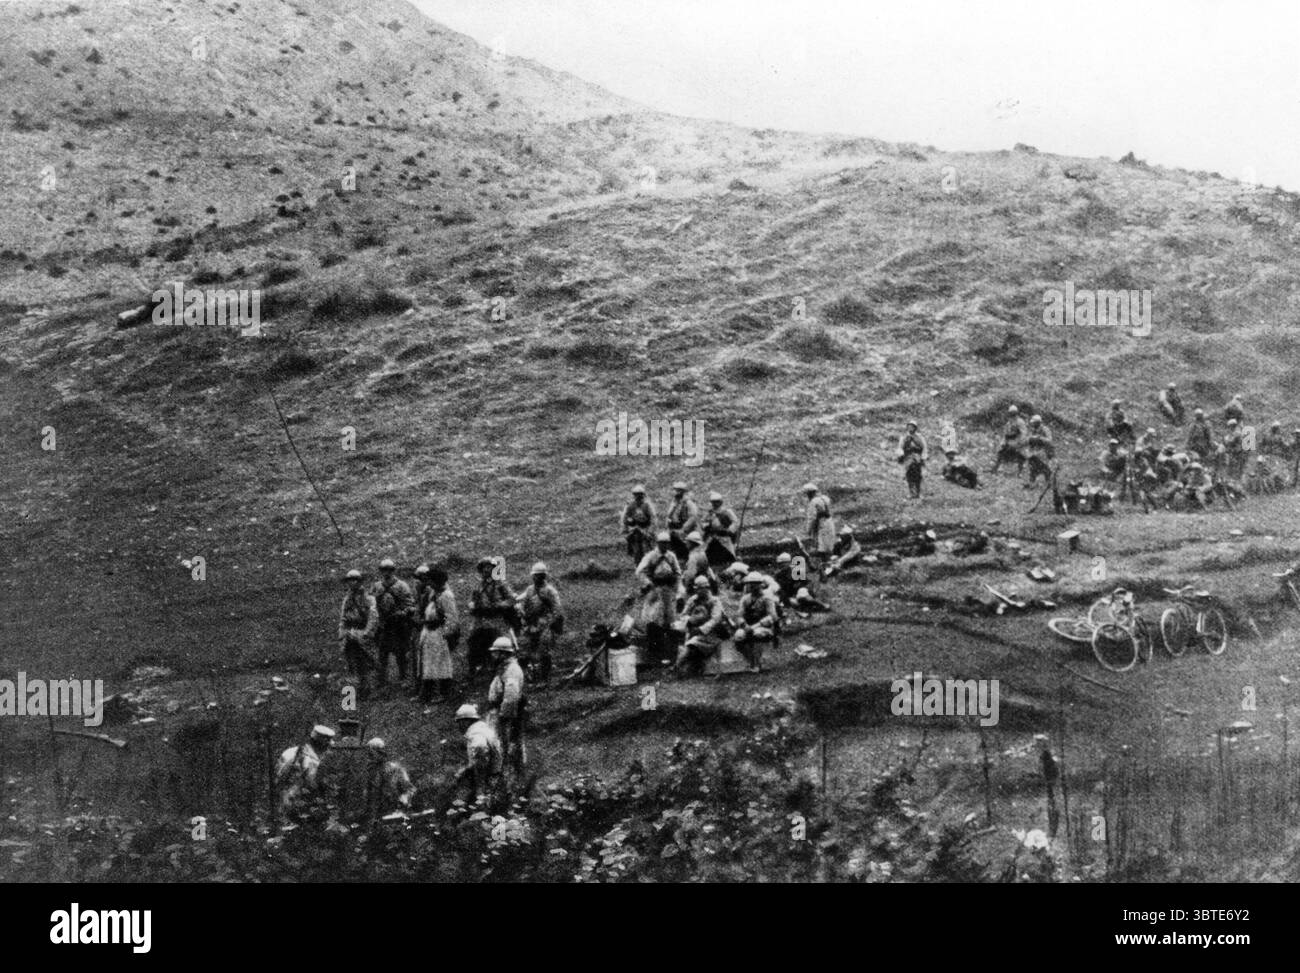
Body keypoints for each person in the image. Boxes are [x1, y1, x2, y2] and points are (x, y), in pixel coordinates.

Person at [468, 556, 518, 678]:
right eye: (484, 567)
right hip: (481, 619)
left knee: (500, 642)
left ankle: (503, 667)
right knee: (473, 641)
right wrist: (472, 605)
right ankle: (477, 667)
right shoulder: (478, 586)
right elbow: (471, 600)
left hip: (496, 618)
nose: (486, 570)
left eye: (489, 567)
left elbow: (511, 599)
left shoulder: (501, 584)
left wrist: (498, 605)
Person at [637, 531, 683, 661]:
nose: (665, 546)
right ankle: (654, 652)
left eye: (667, 543)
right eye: (662, 543)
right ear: (657, 543)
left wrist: (677, 587)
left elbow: (678, 572)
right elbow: (640, 572)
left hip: (668, 590)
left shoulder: (671, 556)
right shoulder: (651, 556)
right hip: (655, 590)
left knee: (670, 620)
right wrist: (648, 583)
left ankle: (670, 652)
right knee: (653, 619)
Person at [486, 637, 527, 778]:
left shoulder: (512, 670)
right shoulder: (505, 668)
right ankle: (501, 771)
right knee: (499, 743)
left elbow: (511, 696)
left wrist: (504, 715)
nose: (493, 656)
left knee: (505, 743)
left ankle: (506, 773)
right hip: (499, 711)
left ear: (503, 654)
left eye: (496, 653)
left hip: (504, 713)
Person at [371, 559, 415, 691]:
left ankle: (404, 679)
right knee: (382, 654)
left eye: (389, 570)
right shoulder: (376, 586)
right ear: (381, 571)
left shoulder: (402, 586)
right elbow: (372, 604)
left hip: (398, 625)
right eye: (384, 570)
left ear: (393, 570)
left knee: (401, 654)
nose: (387, 573)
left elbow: (410, 604)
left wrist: (402, 613)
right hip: (383, 625)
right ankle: (381, 680)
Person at [417, 566, 458, 704]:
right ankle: (426, 693)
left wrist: (446, 635)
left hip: (439, 632)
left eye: (430, 580)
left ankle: (442, 693)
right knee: (428, 663)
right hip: (429, 631)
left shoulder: (446, 596)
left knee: (440, 664)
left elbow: (451, 617)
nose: (428, 583)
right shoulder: (434, 593)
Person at [276, 725, 335, 820]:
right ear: (322, 744)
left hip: (288, 802)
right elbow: (313, 784)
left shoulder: (290, 752)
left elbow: (279, 777)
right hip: (305, 808)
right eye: (327, 745)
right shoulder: (313, 761)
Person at [674, 576, 728, 676]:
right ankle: (678, 667)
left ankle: (677, 666)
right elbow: (683, 615)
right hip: (693, 631)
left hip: (711, 634)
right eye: (696, 589)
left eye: (700, 589)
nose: (698, 591)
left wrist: (700, 629)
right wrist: (691, 619)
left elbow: (715, 620)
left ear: (706, 588)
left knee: (691, 646)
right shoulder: (693, 600)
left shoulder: (714, 601)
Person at [518, 562, 562, 683]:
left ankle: (544, 679)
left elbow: (557, 610)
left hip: (545, 624)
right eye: (536, 575)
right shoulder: (530, 590)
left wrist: (549, 623)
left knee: (544, 652)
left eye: (540, 575)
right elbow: (524, 605)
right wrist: (523, 614)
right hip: (530, 624)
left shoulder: (550, 591)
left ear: (544, 576)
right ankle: (527, 676)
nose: (537, 577)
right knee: (524, 650)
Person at [338, 568, 378, 698]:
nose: (352, 583)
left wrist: (366, 633)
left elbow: (373, 617)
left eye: (355, 580)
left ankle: (370, 690)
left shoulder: (368, 598)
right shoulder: (347, 599)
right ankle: (355, 691)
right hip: (350, 634)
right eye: (350, 580)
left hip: (362, 633)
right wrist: (342, 633)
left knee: (367, 661)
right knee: (352, 663)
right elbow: (343, 618)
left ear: (360, 582)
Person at [454, 704, 503, 804]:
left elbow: (480, 751)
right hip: (494, 770)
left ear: (466, 721)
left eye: (459, 722)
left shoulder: (475, 734)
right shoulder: (482, 729)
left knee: (481, 797)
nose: (459, 726)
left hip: (487, 774)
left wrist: (473, 772)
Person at [732, 572, 779, 673]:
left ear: (760, 584)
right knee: (738, 636)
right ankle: (751, 661)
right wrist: (744, 625)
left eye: (755, 583)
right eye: (750, 583)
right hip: (747, 626)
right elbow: (739, 615)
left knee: (757, 634)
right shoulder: (745, 599)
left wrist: (755, 626)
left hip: (764, 627)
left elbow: (772, 616)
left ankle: (757, 664)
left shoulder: (767, 598)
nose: (752, 586)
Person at [364, 738, 415, 821]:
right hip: (372, 814)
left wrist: (403, 800)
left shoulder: (395, 769)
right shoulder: (368, 770)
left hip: (391, 812)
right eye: (369, 754)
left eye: (372, 754)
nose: (370, 757)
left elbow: (409, 789)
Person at [621, 485, 657, 565]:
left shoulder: (647, 505)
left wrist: (650, 531)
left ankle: (650, 564)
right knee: (636, 550)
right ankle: (638, 565)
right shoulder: (630, 505)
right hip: (635, 529)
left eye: (640, 494)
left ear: (643, 495)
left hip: (645, 528)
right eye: (636, 494)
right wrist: (626, 529)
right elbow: (625, 518)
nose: (638, 496)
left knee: (648, 548)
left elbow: (653, 518)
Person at [700, 491, 739, 563]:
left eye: (717, 502)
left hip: (724, 536)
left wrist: (730, 530)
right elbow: (703, 521)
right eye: (713, 502)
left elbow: (735, 522)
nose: (715, 504)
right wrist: (705, 526)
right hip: (712, 535)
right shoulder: (710, 512)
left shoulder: (727, 511)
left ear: (721, 502)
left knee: (728, 549)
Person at [665, 482, 699, 562]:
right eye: (674, 490)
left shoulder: (688, 503)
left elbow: (693, 517)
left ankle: (687, 557)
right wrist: (668, 522)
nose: (675, 492)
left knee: (685, 542)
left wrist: (684, 529)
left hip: (685, 528)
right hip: (674, 527)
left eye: (677, 490)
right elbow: (669, 514)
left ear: (681, 491)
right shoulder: (674, 502)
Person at [802, 482, 836, 562]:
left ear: (809, 493)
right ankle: (828, 562)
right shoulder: (825, 498)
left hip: (822, 525)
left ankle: (825, 564)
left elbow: (812, 518)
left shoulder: (813, 502)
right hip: (829, 523)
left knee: (822, 546)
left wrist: (808, 531)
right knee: (828, 545)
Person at [992, 406, 1028, 474]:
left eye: (1013, 413)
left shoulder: (1020, 421)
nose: (1012, 414)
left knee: (1021, 455)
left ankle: (1020, 472)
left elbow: (1024, 433)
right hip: (1009, 441)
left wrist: (1019, 442)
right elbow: (1005, 435)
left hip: (1018, 441)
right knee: (1000, 452)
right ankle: (996, 468)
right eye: (1011, 413)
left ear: (1016, 413)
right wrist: (1003, 443)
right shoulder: (1009, 423)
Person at [896, 423, 927, 498]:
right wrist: (900, 454)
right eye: (909, 427)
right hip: (908, 457)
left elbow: (924, 447)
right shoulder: (904, 437)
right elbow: (900, 447)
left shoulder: (919, 437)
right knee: (909, 475)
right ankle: (911, 493)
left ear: (915, 428)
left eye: (912, 427)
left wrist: (923, 457)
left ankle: (919, 493)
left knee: (918, 476)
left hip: (917, 457)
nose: (910, 428)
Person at [680, 530, 715, 594]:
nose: (686, 544)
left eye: (688, 542)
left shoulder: (693, 557)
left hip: (696, 586)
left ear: (692, 543)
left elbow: (690, 575)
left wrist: (687, 588)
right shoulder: (703, 553)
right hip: (703, 583)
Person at [1024, 415, 1054, 487]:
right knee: (1032, 467)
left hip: (1044, 452)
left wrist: (1040, 438)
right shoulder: (1033, 430)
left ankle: (1049, 483)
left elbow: (1049, 440)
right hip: (1034, 452)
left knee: (1045, 469)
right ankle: (1031, 483)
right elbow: (1028, 439)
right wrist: (1030, 439)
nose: (1032, 424)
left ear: (1038, 422)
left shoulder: (1045, 429)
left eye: (1034, 423)